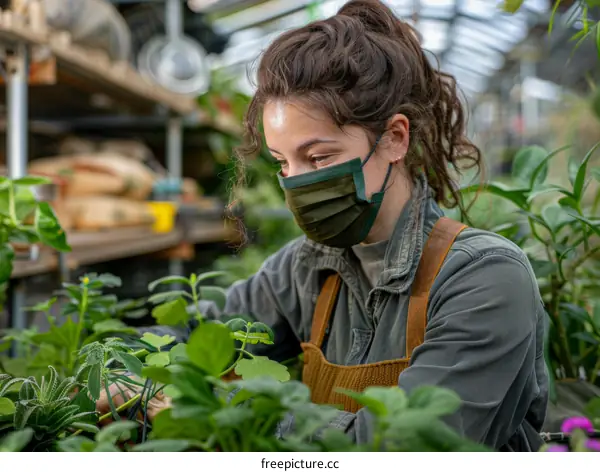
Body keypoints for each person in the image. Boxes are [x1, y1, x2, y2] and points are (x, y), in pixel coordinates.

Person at [98, 0, 549, 451]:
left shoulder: (484, 277)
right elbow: (194, 335)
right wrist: (123, 368)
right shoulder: (306, 269)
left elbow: (406, 445)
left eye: (319, 158)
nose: (297, 182)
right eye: (283, 163)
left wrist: (215, 406)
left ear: (394, 138)